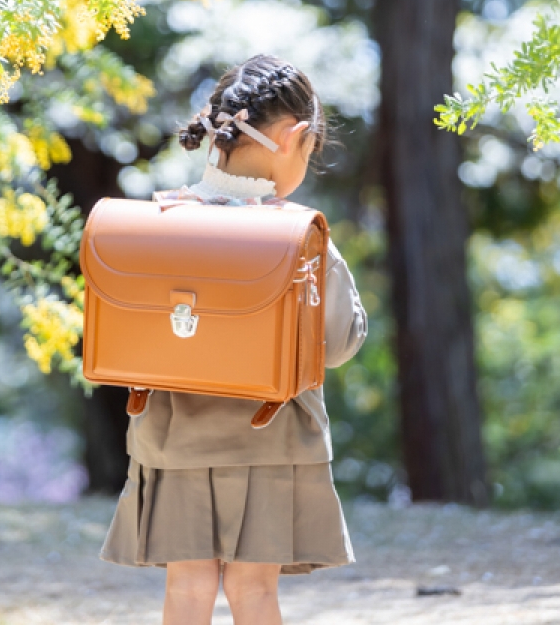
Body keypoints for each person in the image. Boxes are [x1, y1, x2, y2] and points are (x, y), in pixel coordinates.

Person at [100, 54, 368, 625]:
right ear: (296, 137)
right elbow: (340, 341)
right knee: (254, 593)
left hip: (173, 441)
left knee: (187, 589)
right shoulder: (298, 236)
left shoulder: (157, 223)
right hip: (270, 441)